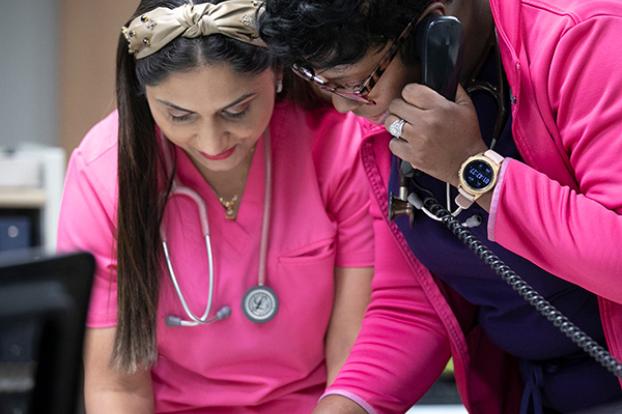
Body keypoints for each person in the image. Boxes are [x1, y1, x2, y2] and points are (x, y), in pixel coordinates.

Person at [259, 0, 622, 413]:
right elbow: (410, 303)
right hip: (539, 392)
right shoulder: (391, 102)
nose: (344, 106)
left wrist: (475, 170)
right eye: (320, 82)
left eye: (354, 84)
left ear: (436, 30)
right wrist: (346, 405)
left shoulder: (584, 36)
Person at [56, 0, 375, 412]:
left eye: (237, 110)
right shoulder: (102, 174)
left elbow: (353, 360)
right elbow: (117, 387)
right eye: (179, 115)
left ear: (277, 71)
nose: (212, 142)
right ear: (143, 93)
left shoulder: (340, 147)